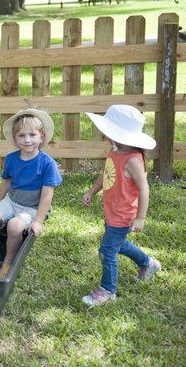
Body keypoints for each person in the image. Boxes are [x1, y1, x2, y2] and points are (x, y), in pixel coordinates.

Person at [81, 105, 161, 307]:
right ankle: (148, 263)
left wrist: (140, 218)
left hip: (123, 214)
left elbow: (144, 189)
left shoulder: (133, 160)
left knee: (107, 251)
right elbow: (106, 174)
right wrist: (92, 191)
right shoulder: (114, 152)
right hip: (111, 211)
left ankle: (108, 290)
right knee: (119, 244)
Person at [0, 108, 62, 278]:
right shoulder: (12, 159)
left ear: (41, 136)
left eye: (32, 135)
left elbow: (47, 195)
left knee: (14, 226)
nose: (27, 140)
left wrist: (38, 221)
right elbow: (6, 182)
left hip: (32, 207)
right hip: (12, 201)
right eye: (21, 136)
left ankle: (8, 262)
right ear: (15, 138)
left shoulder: (47, 164)